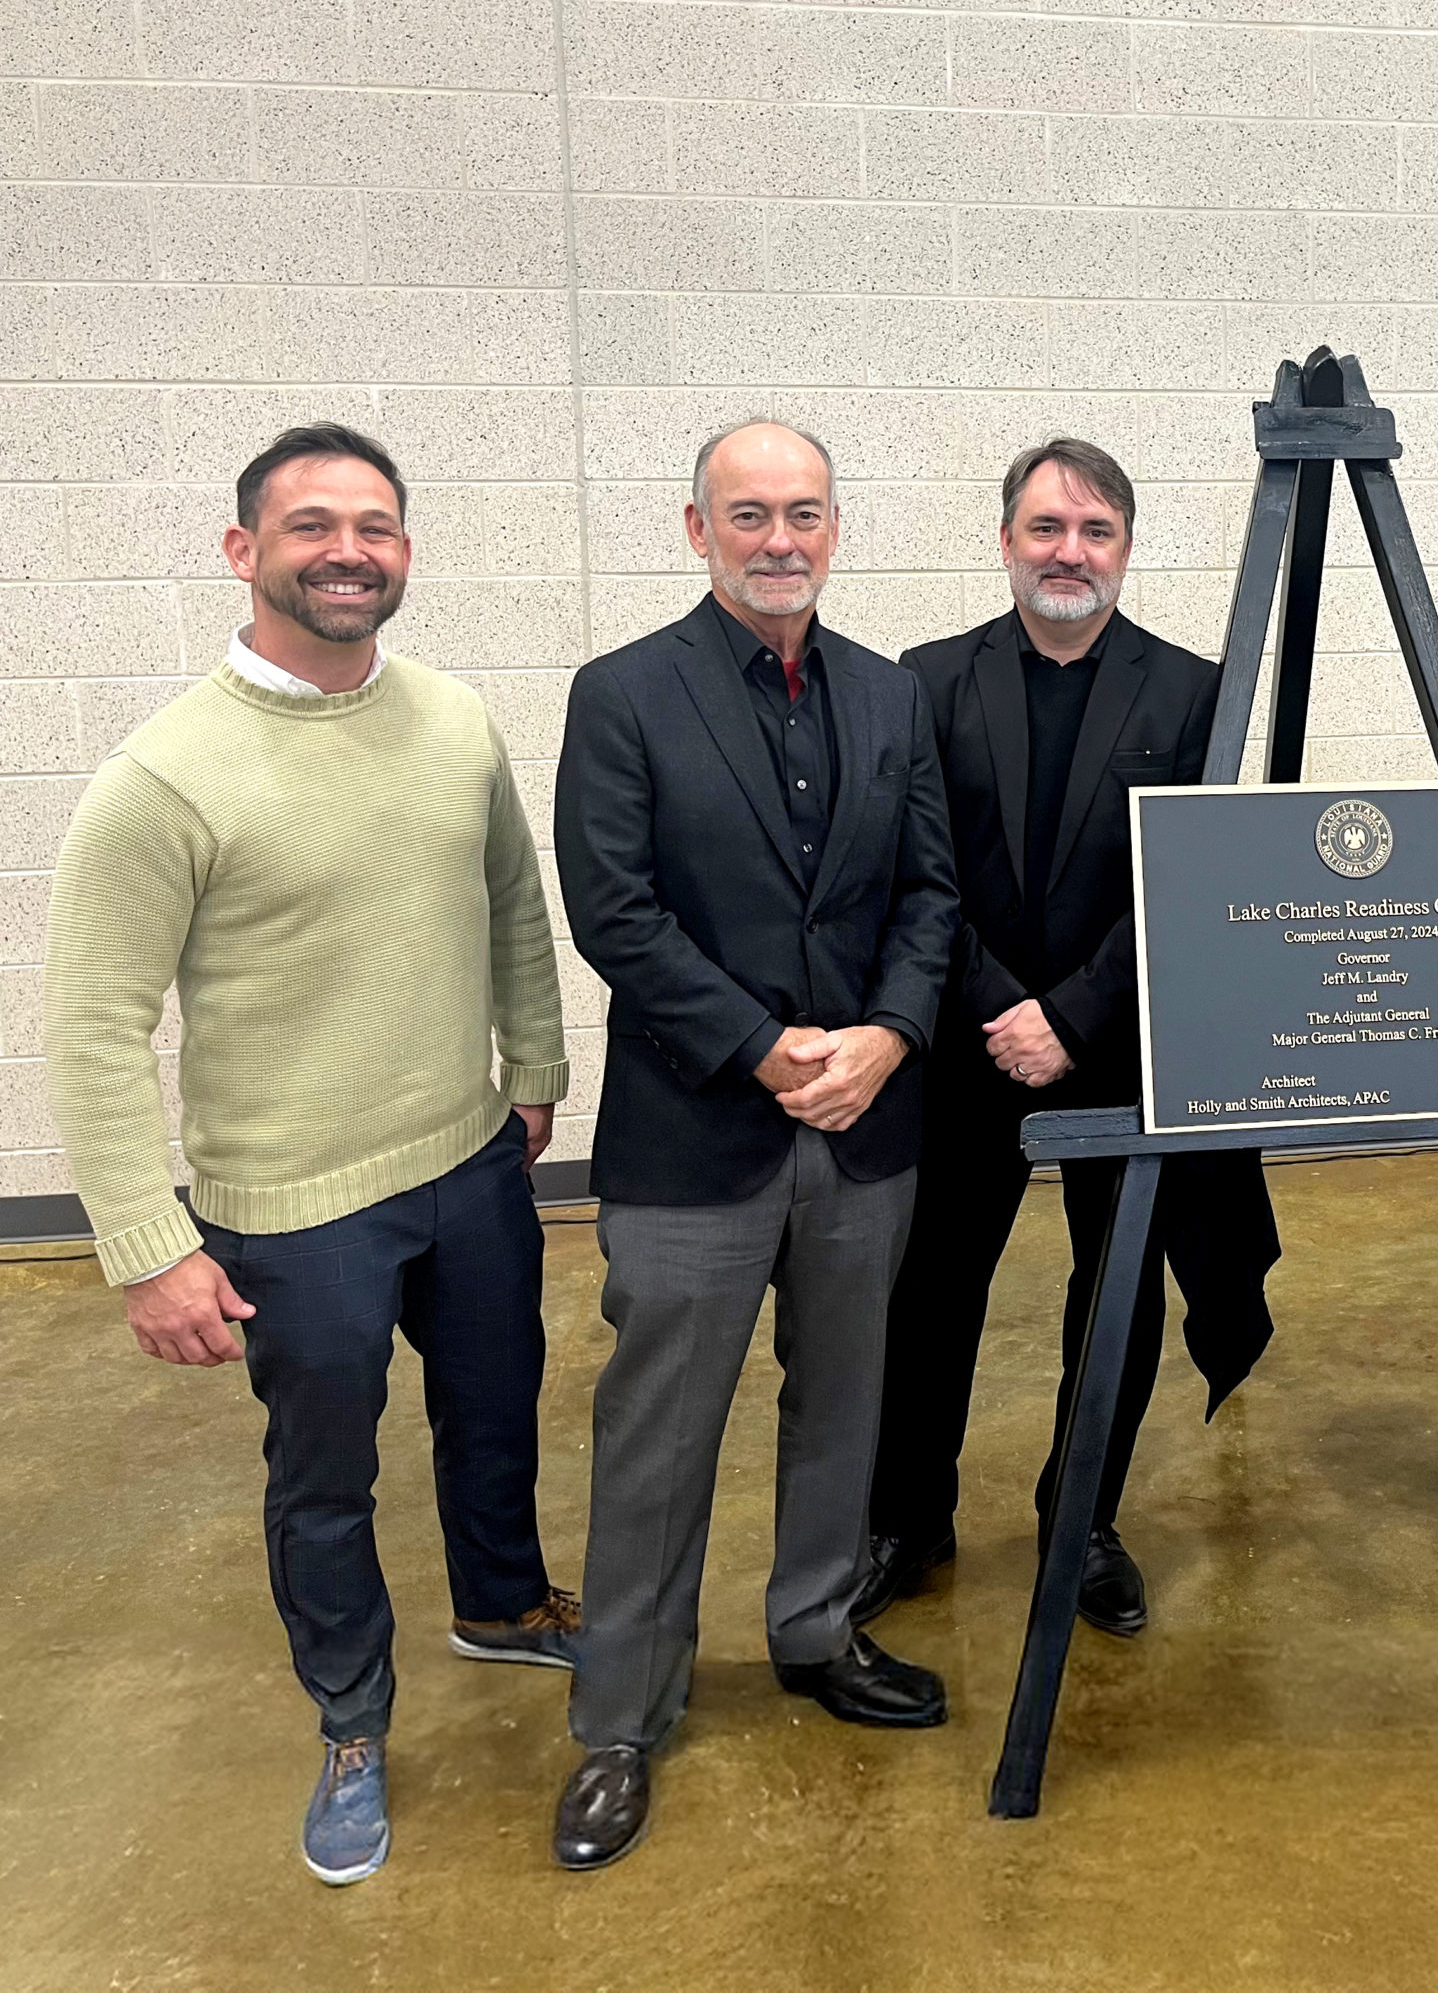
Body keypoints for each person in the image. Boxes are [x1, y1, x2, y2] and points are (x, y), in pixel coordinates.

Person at [43, 422, 575, 1890]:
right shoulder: (164, 777)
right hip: (292, 1213)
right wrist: (149, 1246)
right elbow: (92, 1029)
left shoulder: (456, 722)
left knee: (498, 1410)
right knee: (325, 1482)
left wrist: (532, 1071)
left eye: (378, 527)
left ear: (406, 552)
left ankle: (504, 1603)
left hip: (468, 1165)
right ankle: (351, 1717)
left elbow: (513, 911)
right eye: (313, 526)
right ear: (245, 552)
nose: (350, 550)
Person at [549, 420, 959, 1872]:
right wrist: (764, 1046)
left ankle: (815, 1632)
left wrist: (890, 1038)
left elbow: (929, 893)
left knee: (845, 1402)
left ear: (837, 527)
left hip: (866, 1127)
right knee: (659, 1436)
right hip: (694, 1135)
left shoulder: (890, 695)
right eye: (748, 515)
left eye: (804, 514)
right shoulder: (623, 696)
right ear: (696, 528)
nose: (778, 539)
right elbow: (615, 911)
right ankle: (621, 1717)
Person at [857, 441, 1278, 1641]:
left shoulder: (1194, 690)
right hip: (962, 1040)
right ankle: (905, 1516)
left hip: (1119, 1043)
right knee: (930, 1294)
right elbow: (916, 871)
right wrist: (1004, 1012)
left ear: (1126, 549)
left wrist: (1078, 1014)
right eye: (1044, 528)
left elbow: (1188, 885)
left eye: (1094, 530)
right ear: (1004, 541)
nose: (1068, 552)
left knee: (1115, 1297)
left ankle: (1082, 1518)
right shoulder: (923, 683)